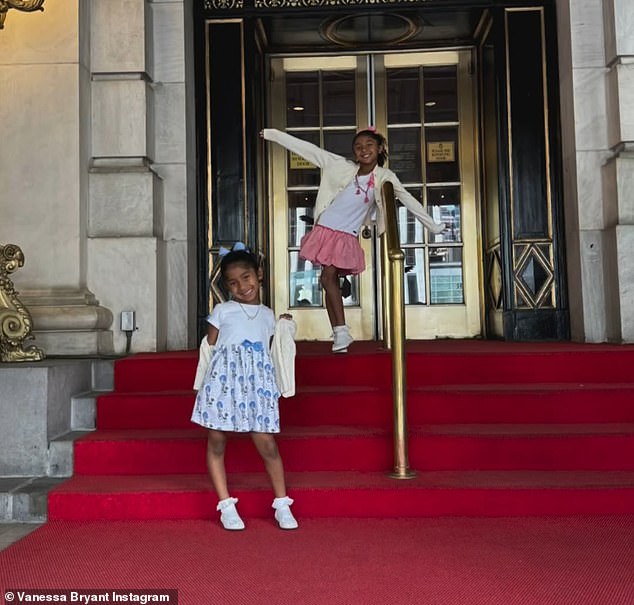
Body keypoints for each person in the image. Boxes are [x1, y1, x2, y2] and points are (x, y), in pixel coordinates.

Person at [261, 127, 445, 353]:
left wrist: (433, 226)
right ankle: (340, 333)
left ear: (379, 148)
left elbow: (408, 200)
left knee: (329, 278)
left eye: (369, 145)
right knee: (327, 280)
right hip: (325, 228)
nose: (363, 150)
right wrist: (272, 135)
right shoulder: (341, 166)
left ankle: (341, 331)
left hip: (346, 234)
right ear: (354, 152)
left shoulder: (385, 178)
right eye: (358, 147)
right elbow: (308, 150)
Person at [191, 243, 298, 531]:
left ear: (259, 274)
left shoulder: (267, 314)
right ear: (226, 286)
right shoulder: (222, 311)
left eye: (247, 277)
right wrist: (205, 387)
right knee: (216, 440)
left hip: (257, 385)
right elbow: (210, 349)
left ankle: (282, 503)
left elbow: (274, 352)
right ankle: (226, 504)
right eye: (233, 282)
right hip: (223, 383)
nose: (242, 286)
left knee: (267, 444)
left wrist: (284, 325)